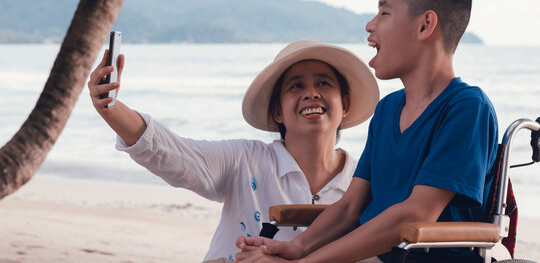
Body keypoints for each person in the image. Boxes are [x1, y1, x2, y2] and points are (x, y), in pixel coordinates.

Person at [235, 0, 499, 263]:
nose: (370, 25)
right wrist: (296, 248)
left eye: (384, 13)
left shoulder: (466, 109)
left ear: (425, 25)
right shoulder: (388, 109)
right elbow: (350, 208)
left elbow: (415, 215)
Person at [88, 40, 379, 261]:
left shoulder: (365, 182)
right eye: (296, 86)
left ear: (345, 104)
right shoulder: (245, 160)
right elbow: (171, 153)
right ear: (277, 111)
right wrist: (111, 109)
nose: (311, 93)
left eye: (323, 83)